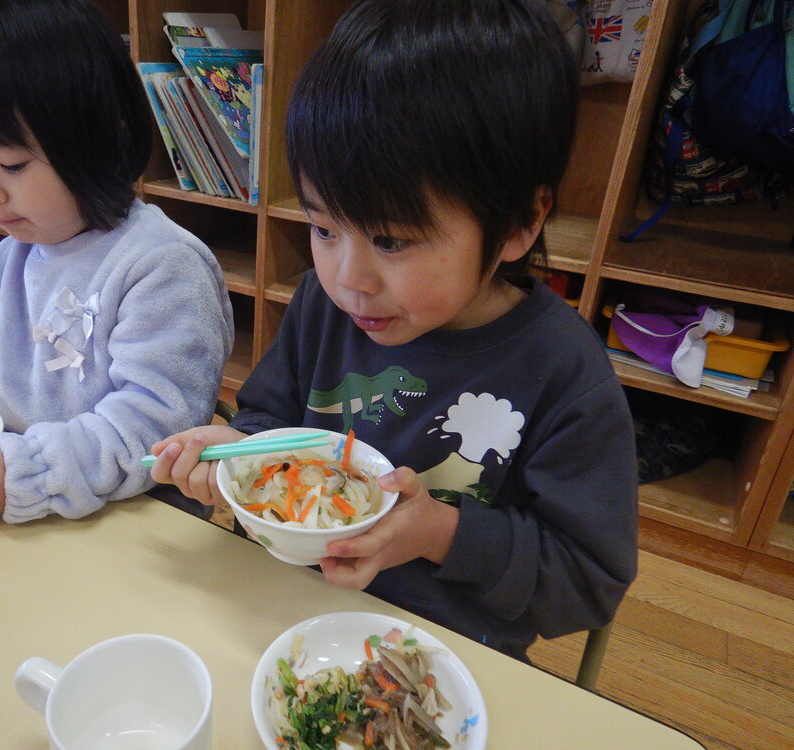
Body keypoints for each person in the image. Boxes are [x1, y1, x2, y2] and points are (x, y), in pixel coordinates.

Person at [151, 0, 637, 660]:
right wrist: (236, 449)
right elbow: (270, 416)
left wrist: (440, 532)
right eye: (323, 227)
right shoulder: (328, 305)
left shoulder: (563, 373)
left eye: (392, 239)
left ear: (521, 223)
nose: (350, 277)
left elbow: (590, 582)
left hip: (443, 652)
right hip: (280, 612)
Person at [0, 0, 233, 529]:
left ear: (100, 137)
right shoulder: (13, 254)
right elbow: (6, 349)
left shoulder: (162, 267)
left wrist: (23, 475)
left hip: (133, 523)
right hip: (20, 503)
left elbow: (152, 429)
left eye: (13, 164)